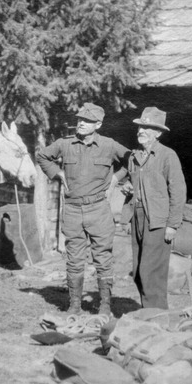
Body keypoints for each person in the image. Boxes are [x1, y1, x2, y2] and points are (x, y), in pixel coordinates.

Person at [36, 103, 129, 315]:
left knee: (103, 258)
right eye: (79, 119)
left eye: (87, 121)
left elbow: (132, 161)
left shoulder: (109, 145)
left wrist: (115, 178)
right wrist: (57, 173)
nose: (81, 123)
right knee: (74, 259)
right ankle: (75, 305)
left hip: (98, 209)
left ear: (98, 124)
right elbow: (42, 156)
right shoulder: (64, 144)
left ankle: (105, 305)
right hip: (73, 210)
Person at [121, 107, 186, 310]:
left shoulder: (168, 156)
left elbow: (178, 191)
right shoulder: (135, 156)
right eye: (140, 126)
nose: (141, 131)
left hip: (157, 220)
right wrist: (128, 190)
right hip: (137, 217)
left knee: (151, 270)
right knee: (139, 269)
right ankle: (148, 312)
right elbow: (135, 186)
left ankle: (157, 316)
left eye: (147, 128)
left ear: (157, 133)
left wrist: (172, 225)